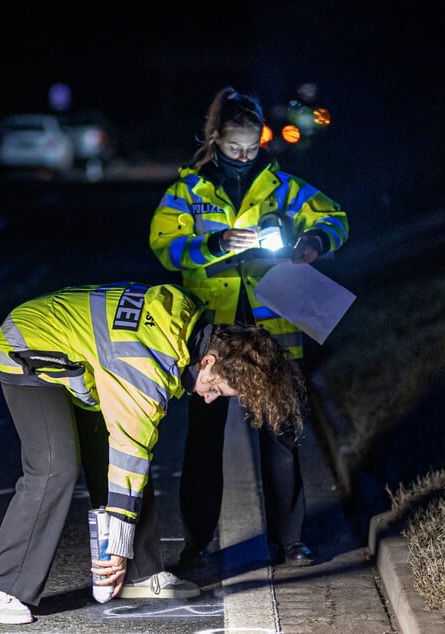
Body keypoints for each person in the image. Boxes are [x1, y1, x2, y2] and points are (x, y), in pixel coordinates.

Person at [0, 282, 306, 625]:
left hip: (81, 359)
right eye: (216, 388)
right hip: (28, 346)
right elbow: (129, 453)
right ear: (208, 360)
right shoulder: (144, 369)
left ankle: (141, 574)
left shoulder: (185, 323)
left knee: (124, 461)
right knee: (56, 466)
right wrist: (116, 550)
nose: (208, 398)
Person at [148, 86, 349, 570]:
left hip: (274, 324)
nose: (243, 156)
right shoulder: (188, 191)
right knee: (204, 439)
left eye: (252, 147)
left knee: (281, 430)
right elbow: (163, 245)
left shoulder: (283, 187)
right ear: (215, 139)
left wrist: (314, 243)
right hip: (212, 329)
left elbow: (335, 218)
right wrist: (215, 243)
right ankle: (197, 543)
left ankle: (291, 541)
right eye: (234, 147)